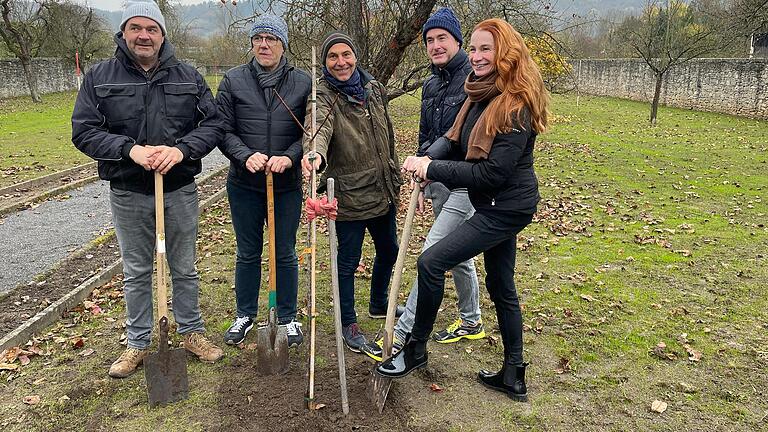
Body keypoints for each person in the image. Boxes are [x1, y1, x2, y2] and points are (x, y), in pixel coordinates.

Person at [377, 18, 550, 403]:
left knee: (432, 262)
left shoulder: (515, 104)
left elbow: (493, 172)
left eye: (485, 48)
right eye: (473, 48)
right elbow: (452, 140)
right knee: (500, 284)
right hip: (490, 203)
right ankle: (513, 374)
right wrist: (425, 158)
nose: (476, 56)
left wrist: (432, 168)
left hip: (505, 207)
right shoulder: (480, 94)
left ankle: (416, 350)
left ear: (506, 52)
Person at [71, 1, 224, 378]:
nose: (144, 35)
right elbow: (84, 131)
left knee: (184, 267)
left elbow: (215, 124)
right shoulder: (99, 77)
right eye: (136, 28)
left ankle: (191, 332)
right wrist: (130, 150)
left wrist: (181, 149)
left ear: (162, 34)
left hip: (179, 189)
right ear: (123, 32)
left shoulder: (188, 76)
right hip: (129, 191)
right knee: (137, 269)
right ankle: (138, 341)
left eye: (152, 29)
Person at [361, 7, 485, 362]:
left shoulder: (473, 79)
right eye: (429, 40)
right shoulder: (431, 83)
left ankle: (400, 334)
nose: (435, 45)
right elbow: (427, 134)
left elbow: (464, 139)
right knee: (457, 253)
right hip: (437, 181)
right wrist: (422, 174)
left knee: (433, 251)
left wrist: (434, 165)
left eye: (441, 38)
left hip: (465, 181)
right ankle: (471, 320)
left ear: (458, 41)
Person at [301, 32, 404, 353]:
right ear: (326, 63)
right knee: (348, 262)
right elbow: (317, 129)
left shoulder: (374, 90)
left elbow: (388, 136)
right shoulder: (323, 96)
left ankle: (378, 301)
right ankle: (349, 322)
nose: (341, 62)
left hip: (382, 189)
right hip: (349, 196)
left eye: (346, 54)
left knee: (389, 251)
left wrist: (395, 173)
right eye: (333, 57)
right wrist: (314, 155)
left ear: (355, 57)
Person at [215, 15, 310, 347]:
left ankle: (287, 317)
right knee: (247, 252)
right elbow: (222, 130)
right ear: (252, 44)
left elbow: (309, 132)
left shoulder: (302, 81)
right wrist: (244, 155)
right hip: (244, 184)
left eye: (272, 39)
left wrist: (291, 156)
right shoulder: (233, 80)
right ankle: (244, 314)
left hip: (285, 186)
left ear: (283, 44)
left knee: (284, 251)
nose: (264, 44)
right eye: (259, 39)